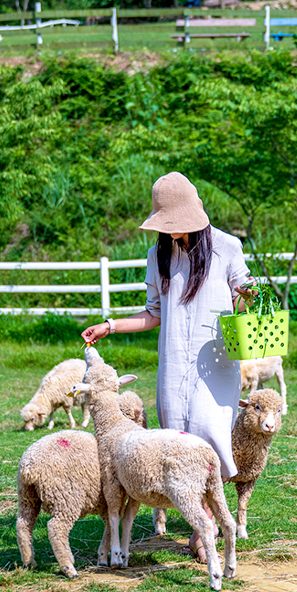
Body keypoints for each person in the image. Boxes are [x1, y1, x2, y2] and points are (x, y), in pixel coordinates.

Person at [81, 172, 251, 559]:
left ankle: (204, 523)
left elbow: (245, 292)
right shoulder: (158, 255)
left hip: (215, 362)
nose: (174, 233)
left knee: (209, 436)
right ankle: (200, 522)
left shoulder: (227, 246)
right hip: (174, 363)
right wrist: (111, 326)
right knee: (176, 440)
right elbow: (153, 313)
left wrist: (249, 296)